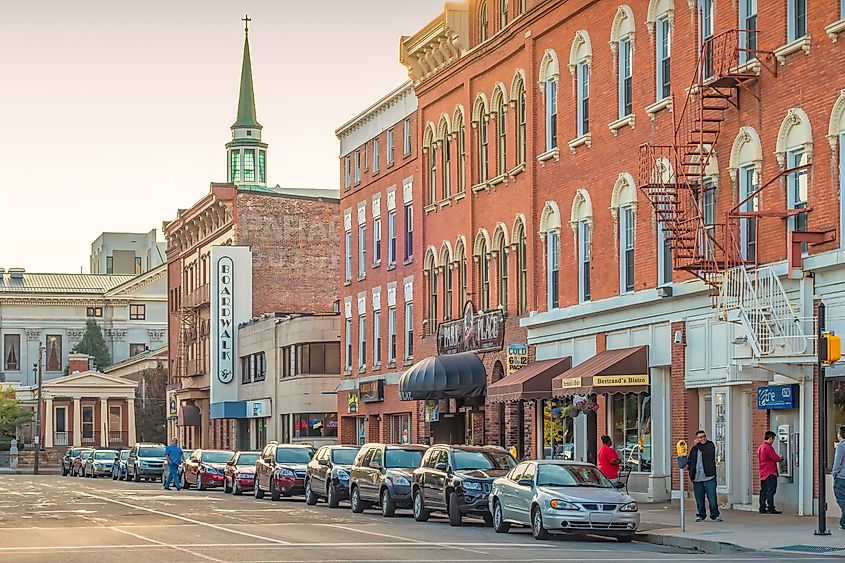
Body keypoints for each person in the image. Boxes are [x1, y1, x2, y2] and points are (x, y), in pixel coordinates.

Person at [688, 429, 721, 522]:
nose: (703, 439)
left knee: (712, 497)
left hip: (709, 476)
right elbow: (689, 460)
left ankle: (715, 514)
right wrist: (690, 472)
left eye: (704, 436)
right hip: (697, 478)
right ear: (697, 438)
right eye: (700, 437)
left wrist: (698, 445)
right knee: (699, 498)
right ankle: (701, 515)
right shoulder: (694, 448)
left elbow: (708, 453)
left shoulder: (710, 445)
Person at [757, 430, 783, 514]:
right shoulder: (768, 447)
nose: (773, 441)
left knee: (763, 491)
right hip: (770, 472)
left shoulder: (760, 447)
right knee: (771, 491)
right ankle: (771, 508)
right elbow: (775, 458)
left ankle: (762, 508)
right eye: (773, 439)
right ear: (771, 438)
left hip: (763, 472)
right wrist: (780, 457)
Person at [831, 426, 845, 530]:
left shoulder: (842, 445)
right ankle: (843, 523)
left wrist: (834, 473)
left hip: (841, 477)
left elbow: (837, 462)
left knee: (841, 499)